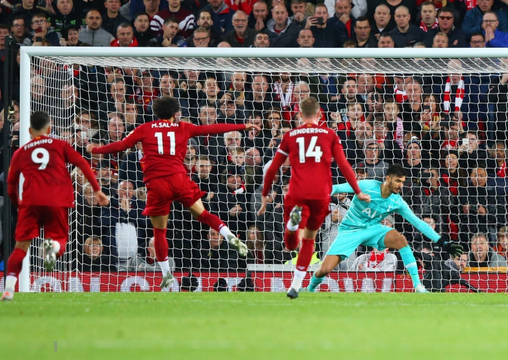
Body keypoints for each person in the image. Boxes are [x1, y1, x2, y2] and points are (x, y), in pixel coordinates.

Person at [88, 97, 258, 289]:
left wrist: (95, 148)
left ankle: (166, 273)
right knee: (204, 214)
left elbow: (120, 146)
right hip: (179, 179)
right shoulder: (182, 127)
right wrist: (244, 125)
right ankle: (229, 236)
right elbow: (212, 129)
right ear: (176, 113)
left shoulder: (144, 128)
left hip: (157, 184)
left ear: (155, 112)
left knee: (159, 231)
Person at [257, 96, 369, 299]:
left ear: (299, 115)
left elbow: (273, 167)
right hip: (320, 194)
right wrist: (358, 191)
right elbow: (344, 165)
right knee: (309, 240)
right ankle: (296, 285)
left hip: (297, 192)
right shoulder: (329, 134)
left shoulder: (291, 135)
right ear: (319, 114)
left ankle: (292, 226)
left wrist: (265, 195)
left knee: (291, 243)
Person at [2, 111, 110, 301]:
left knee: (21, 246)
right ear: (50, 129)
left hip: (30, 202)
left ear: (29, 131)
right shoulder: (60, 145)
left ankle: (9, 289)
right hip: (57, 200)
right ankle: (51, 246)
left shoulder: (21, 152)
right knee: (58, 239)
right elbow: (83, 163)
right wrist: (97, 189)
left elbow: (11, 184)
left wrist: (17, 204)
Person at [306, 164, 463, 294]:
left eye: (402, 182)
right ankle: (310, 288)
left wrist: (442, 242)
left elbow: (418, 222)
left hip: (373, 229)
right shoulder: (366, 186)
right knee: (324, 269)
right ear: (388, 179)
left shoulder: (397, 201)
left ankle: (418, 286)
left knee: (400, 240)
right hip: (350, 230)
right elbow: (335, 188)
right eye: (398, 181)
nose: (400, 185)